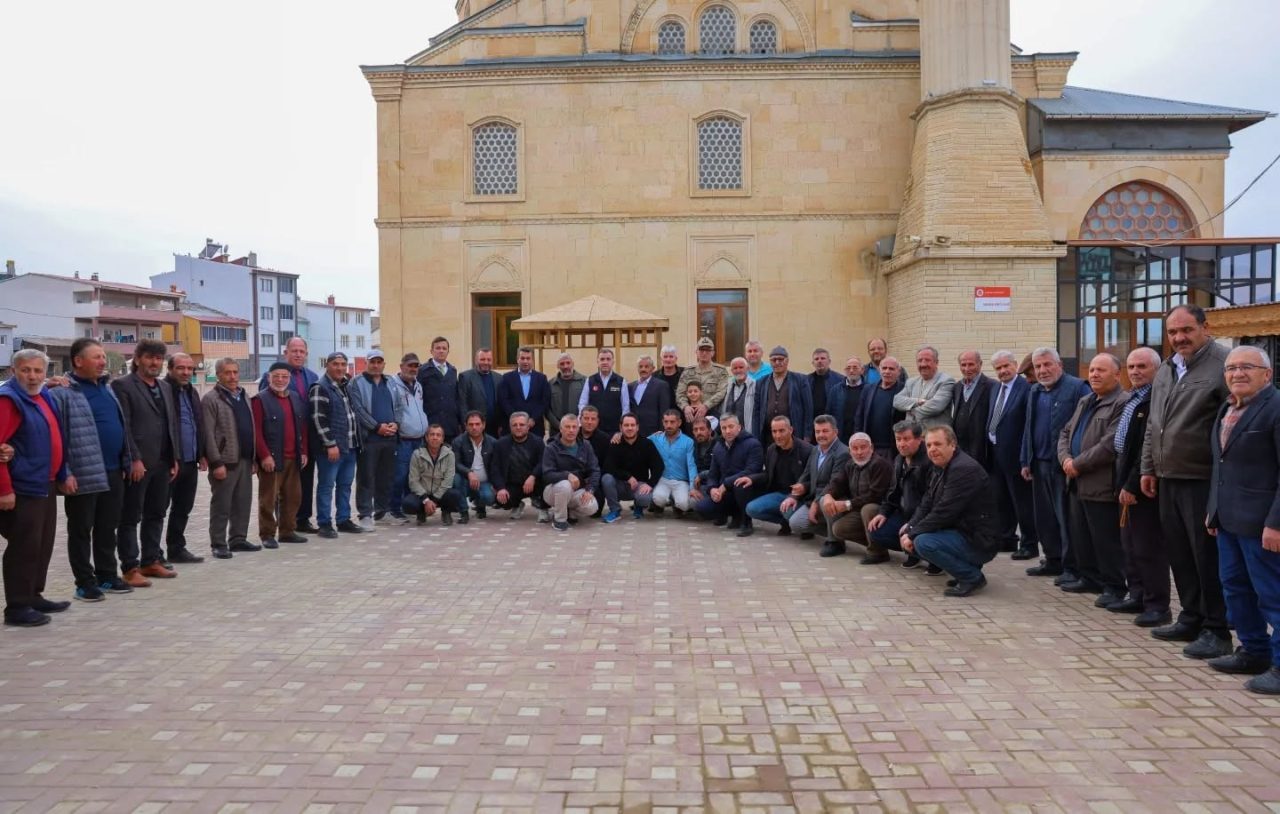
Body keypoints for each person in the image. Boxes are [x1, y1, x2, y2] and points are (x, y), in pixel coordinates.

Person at [1141, 304, 1233, 659]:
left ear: (1205, 328)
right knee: (1179, 553)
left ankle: (1217, 629)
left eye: (1186, 330)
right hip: (1167, 477)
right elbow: (1154, 424)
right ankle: (1191, 617)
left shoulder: (1223, 364)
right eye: (1172, 332)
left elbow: (1231, 424)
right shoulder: (1166, 369)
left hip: (1202, 479)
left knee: (1205, 557)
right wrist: (1147, 468)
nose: (1179, 338)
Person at [1207, 346, 1280, 693]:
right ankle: (1253, 651)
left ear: (1267, 374)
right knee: (1235, 589)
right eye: (1231, 368)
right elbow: (1219, 466)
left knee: (1272, 595)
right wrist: (1213, 510)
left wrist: (1276, 523)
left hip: (1263, 525)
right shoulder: (1228, 408)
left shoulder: (1275, 409)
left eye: (1246, 367)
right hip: (1229, 520)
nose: (1237, 373)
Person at [54, 339, 132, 601]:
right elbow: (58, 436)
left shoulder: (107, 389)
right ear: (78, 361)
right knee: (80, 530)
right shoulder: (63, 392)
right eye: (96, 357)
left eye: (103, 357)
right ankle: (84, 583)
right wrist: (64, 472)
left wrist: (125, 460)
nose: (102, 362)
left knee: (107, 527)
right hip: (83, 473)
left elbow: (120, 426)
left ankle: (107, 575)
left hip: (113, 471)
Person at [0, 349, 72, 626]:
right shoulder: (9, 401)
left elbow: (57, 437)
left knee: (42, 544)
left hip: (47, 482)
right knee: (24, 547)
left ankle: (33, 595)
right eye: (25, 370)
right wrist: (4, 489)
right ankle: (17, 606)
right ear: (13, 371)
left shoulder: (43, 396)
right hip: (23, 486)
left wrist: (63, 473)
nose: (32, 376)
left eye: (37, 371)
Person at [1057, 353, 1128, 605]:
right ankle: (1089, 577)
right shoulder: (1086, 400)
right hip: (1075, 481)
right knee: (1081, 534)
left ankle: (1114, 586)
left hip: (1101, 483)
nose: (1094, 374)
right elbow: (1066, 432)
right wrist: (1065, 459)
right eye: (1093, 370)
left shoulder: (1122, 402)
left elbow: (1110, 444)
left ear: (1117, 375)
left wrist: (1077, 463)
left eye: (1102, 370)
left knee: (1105, 539)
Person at [901, 426, 999, 597]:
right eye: (929, 445)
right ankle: (966, 570)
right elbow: (927, 502)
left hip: (979, 541)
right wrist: (910, 526)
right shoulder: (941, 465)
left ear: (952, 445)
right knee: (915, 534)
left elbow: (943, 512)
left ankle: (971, 576)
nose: (932, 449)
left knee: (923, 542)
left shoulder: (963, 469)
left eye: (937, 444)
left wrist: (913, 534)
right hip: (963, 531)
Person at [112, 339, 180, 585]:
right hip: (139, 464)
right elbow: (125, 426)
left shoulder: (165, 387)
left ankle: (151, 560)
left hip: (163, 461)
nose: (154, 362)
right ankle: (130, 568)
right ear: (137, 358)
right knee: (130, 517)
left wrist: (174, 458)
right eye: (149, 357)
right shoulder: (122, 386)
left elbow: (170, 424)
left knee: (157, 513)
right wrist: (134, 459)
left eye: (158, 358)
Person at [1020, 347, 1091, 580]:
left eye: (1047, 364)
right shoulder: (1035, 392)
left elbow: (1085, 429)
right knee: (1045, 518)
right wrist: (1025, 459)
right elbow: (1028, 428)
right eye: (1038, 366)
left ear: (1059, 365)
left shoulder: (1078, 388)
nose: (1042, 370)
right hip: (1038, 465)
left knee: (1066, 521)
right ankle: (1052, 560)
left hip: (1063, 467)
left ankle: (1072, 568)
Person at [1113, 347, 1170, 626]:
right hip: (1125, 480)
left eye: (1142, 367)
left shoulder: (1156, 401)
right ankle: (1136, 594)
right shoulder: (1132, 399)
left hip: (1143, 486)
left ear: (1157, 370)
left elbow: (1145, 450)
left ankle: (1157, 605)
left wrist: (1132, 484)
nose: (1135, 371)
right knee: (1130, 545)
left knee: (1148, 547)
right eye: (1131, 366)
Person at [259, 336, 321, 534]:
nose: (298, 354)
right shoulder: (273, 375)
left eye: (302, 351)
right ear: (286, 352)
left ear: (306, 354)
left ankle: (302, 520)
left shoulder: (312, 377)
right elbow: (265, 407)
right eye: (294, 351)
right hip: (278, 441)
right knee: (277, 488)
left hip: (304, 439)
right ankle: (278, 525)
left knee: (304, 483)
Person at [201, 358, 258, 559]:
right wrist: (216, 462)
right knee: (222, 505)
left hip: (244, 459)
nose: (233, 376)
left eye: (235, 372)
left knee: (243, 502)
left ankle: (238, 539)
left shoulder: (244, 396)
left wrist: (253, 459)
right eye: (227, 373)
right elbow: (207, 433)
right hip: (224, 461)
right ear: (218, 375)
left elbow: (250, 427)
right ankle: (218, 543)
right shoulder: (211, 399)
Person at [252, 361, 311, 549]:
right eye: (276, 376)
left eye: (284, 376)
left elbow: (302, 427)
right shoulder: (260, 400)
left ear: (289, 378)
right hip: (271, 459)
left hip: (293, 458)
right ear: (268, 378)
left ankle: (287, 531)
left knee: (293, 497)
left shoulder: (294, 397)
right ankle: (267, 534)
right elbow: (256, 431)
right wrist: (264, 456)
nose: (280, 380)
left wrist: (303, 451)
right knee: (268, 499)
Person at [986, 350, 1037, 560]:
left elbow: (1028, 424)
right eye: (998, 368)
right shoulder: (995, 388)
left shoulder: (1026, 389)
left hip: (1016, 455)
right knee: (1001, 500)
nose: (1003, 371)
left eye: (1006, 366)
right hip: (996, 453)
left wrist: (1026, 457)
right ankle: (1007, 539)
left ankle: (1029, 544)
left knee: (1022, 503)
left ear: (1015, 365)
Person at [867, 420, 934, 569]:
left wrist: (912, 525)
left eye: (906, 439)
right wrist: (883, 513)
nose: (901, 444)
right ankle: (914, 553)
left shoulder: (930, 461)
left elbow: (930, 500)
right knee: (877, 531)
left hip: (926, 517)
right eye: (898, 439)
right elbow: (893, 491)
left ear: (919, 439)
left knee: (915, 533)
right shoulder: (899, 460)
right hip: (905, 513)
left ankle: (934, 559)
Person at [311, 352, 363, 539]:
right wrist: (330, 444)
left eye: (343, 364)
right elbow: (319, 419)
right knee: (326, 485)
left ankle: (343, 519)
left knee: (345, 485)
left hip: (349, 446)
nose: (340, 368)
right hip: (331, 449)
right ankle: (324, 523)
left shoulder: (345, 386)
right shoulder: (320, 387)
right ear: (328, 365)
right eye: (336, 364)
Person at [820, 432, 893, 560]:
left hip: (880, 511)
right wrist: (828, 495)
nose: (859, 452)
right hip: (857, 509)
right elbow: (837, 482)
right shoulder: (850, 464)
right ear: (850, 450)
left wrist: (848, 504)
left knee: (868, 508)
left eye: (863, 447)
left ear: (871, 448)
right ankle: (877, 542)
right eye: (855, 448)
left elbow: (875, 495)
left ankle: (878, 551)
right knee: (838, 529)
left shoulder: (880, 464)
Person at [163, 353, 206, 564]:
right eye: (181, 368)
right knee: (158, 510)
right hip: (170, 462)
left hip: (190, 460)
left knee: (183, 507)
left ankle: (176, 548)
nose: (186, 372)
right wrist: (171, 459)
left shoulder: (191, 392)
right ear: (170, 369)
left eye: (190, 369)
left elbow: (197, 423)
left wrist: (202, 454)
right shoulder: (162, 391)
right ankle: (151, 555)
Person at [349, 349, 399, 529]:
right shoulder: (356, 383)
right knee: (366, 477)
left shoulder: (391, 382)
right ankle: (364, 515)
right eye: (373, 362)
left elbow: (399, 406)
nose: (376, 365)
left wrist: (396, 423)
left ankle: (382, 511)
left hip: (390, 438)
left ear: (384, 364)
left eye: (379, 362)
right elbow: (358, 409)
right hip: (369, 438)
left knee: (386, 476)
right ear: (367, 363)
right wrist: (377, 427)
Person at [742, 416, 813, 538]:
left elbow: (813, 479)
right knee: (751, 509)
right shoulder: (771, 449)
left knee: (791, 514)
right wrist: (751, 478)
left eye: (781, 431)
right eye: (774, 431)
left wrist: (798, 492)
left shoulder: (807, 450)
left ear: (790, 430)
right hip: (780, 494)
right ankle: (785, 523)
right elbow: (767, 474)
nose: (777, 435)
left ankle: (806, 527)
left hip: (800, 497)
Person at [783, 415, 849, 542]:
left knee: (822, 504)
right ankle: (834, 530)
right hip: (814, 497)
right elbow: (806, 474)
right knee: (792, 517)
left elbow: (834, 484)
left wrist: (816, 503)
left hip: (834, 499)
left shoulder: (843, 453)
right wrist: (794, 495)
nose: (820, 435)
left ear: (835, 432)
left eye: (825, 431)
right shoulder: (815, 450)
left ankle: (835, 538)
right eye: (817, 431)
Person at [694, 414, 764, 531]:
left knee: (741, 485)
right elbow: (713, 474)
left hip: (749, 490)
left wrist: (726, 484)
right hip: (726, 492)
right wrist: (712, 489)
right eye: (724, 428)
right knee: (702, 508)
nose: (728, 431)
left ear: (739, 427)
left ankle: (746, 521)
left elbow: (753, 469)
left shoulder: (753, 444)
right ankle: (734, 515)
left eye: (731, 427)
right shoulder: (719, 446)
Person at [541, 413, 601, 531]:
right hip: (553, 492)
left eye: (574, 427)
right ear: (561, 429)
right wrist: (567, 475)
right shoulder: (551, 448)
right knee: (565, 485)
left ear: (578, 429)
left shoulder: (586, 446)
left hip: (577, 491)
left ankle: (570, 511)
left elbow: (595, 470)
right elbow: (547, 475)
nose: (571, 430)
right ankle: (559, 520)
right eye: (567, 427)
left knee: (592, 506)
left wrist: (590, 490)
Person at [600, 413, 664, 522]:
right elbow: (608, 467)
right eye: (626, 425)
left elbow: (659, 466)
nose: (630, 428)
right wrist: (628, 477)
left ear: (637, 427)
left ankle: (639, 506)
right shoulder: (615, 443)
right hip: (619, 485)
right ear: (621, 427)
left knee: (645, 499)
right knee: (606, 478)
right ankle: (615, 510)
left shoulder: (647, 444)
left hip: (639, 485)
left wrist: (650, 483)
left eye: (632, 425)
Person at [389, 353, 429, 521]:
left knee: (413, 477)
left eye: (416, 366)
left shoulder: (418, 385)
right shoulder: (392, 385)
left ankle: (407, 506)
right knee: (399, 475)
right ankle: (394, 508)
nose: (413, 369)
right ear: (401, 366)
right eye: (410, 366)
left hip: (418, 439)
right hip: (403, 439)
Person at [490, 412, 549, 521]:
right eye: (515, 425)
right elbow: (495, 468)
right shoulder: (501, 444)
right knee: (502, 500)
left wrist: (533, 476)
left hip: (535, 482)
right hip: (513, 483)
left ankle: (543, 508)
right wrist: (500, 488)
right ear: (510, 427)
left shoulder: (538, 442)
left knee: (548, 480)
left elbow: (543, 463)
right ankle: (517, 505)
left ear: (528, 426)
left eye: (522, 425)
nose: (518, 428)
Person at [405, 425, 465, 525]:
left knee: (455, 495)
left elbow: (448, 480)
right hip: (423, 494)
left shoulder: (450, 454)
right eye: (432, 434)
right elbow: (413, 481)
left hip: (441, 493)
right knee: (408, 504)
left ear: (442, 439)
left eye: (438, 435)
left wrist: (435, 499)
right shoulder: (417, 454)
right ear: (426, 438)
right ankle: (421, 513)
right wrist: (426, 500)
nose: (435, 437)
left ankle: (446, 512)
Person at [752, 347, 812, 440]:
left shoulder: (800, 380)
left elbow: (808, 409)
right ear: (770, 362)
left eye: (780, 359)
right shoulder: (761, 382)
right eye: (774, 360)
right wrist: (756, 436)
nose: (777, 362)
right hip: (768, 435)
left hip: (794, 434)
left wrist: (807, 435)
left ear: (787, 361)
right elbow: (756, 411)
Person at [950, 350, 995, 469]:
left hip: (980, 448)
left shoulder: (992, 386)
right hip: (960, 445)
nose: (967, 368)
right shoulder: (957, 387)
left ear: (980, 364)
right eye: (963, 365)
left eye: (971, 364)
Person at [650, 409, 698, 515]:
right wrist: (619, 435)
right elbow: (639, 442)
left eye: (672, 422)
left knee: (684, 504)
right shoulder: (656, 438)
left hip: (681, 480)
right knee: (658, 499)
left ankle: (676, 503)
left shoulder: (688, 442)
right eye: (666, 422)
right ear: (662, 422)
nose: (669, 425)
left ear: (679, 422)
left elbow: (691, 466)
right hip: (663, 479)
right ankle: (660, 504)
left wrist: (692, 488)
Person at [893, 346, 955, 429]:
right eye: (920, 360)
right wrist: (917, 402)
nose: (923, 364)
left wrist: (910, 410)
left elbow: (935, 407)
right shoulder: (911, 382)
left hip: (936, 436)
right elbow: (897, 401)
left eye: (927, 360)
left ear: (936, 362)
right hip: (914, 436)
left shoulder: (946, 381)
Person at [451, 410, 496, 522]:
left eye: (477, 424)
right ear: (465, 426)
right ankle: (464, 512)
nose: (474, 427)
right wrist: (469, 472)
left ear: (483, 425)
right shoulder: (458, 442)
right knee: (456, 479)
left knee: (489, 497)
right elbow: (455, 463)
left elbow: (496, 467)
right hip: (465, 481)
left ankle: (480, 505)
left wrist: (496, 485)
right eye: (471, 424)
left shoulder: (493, 442)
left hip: (485, 482)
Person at [857, 356, 905, 459]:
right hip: (870, 446)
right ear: (879, 370)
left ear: (899, 371)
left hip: (892, 448)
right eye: (884, 368)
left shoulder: (904, 390)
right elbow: (859, 416)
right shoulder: (868, 389)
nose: (887, 371)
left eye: (891, 369)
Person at [498, 346, 551, 437]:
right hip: (513, 428)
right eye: (522, 358)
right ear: (517, 359)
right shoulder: (507, 378)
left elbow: (544, 401)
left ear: (532, 360)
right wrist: (516, 419)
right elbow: (503, 401)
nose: (525, 361)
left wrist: (533, 419)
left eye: (528, 358)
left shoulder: (541, 378)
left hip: (535, 427)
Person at [417, 336, 462, 441]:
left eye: (444, 348)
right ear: (431, 351)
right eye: (438, 348)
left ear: (448, 351)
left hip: (450, 426)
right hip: (431, 423)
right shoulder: (423, 370)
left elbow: (456, 398)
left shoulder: (452, 371)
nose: (441, 351)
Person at [577, 348, 630, 437]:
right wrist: (582, 423)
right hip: (593, 430)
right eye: (602, 359)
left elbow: (626, 407)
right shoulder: (590, 380)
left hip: (614, 431)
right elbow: (582, 403)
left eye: (608, 359)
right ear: (597, 362)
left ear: (613, 362)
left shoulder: (621, 381)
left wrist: (622, 429)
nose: (605, 362)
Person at [678, 337, 730, 418]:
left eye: (708, 350)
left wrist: (706, 406)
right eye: (701, 350)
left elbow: (721, 392)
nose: (704, 353)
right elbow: (680, 393)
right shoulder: (688, 372)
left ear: (713, 353)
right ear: (696, 352)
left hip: (712, 413)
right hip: (691, 414)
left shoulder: (721, 371)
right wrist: (685, 407)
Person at [459, 347, 503, 438]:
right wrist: (466, 425)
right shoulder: (465, 377)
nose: (486, 362)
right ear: (476, 361)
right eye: (482, 359)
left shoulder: (499, 378)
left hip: (494, 427)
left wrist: (501, 424)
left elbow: (501, 403)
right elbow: (462, 403)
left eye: (489, 360)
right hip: (474, 427)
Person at [629, 355, 672, 439]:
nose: (643, 369)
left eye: (646, 366)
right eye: (640, 367)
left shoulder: (661, 385)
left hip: (654, 432)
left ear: (653, 368)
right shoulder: (630, 386)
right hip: (633, 432)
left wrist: (662, 431)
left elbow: (664, 410)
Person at [548, 353, 586, 437]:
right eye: (562, 364)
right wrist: (559, 425)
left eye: (568, 363)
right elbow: (547, 409)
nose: (565, 366)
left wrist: (578, 424)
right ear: (557, 366)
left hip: (578, 430)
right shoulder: (550, 384)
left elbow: (588, 404)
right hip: (556, 431)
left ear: (573, 364)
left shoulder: (584, 382)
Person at [828, 357, 865, 440]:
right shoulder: (835, 390)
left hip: (861, 435)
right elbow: (829, 414)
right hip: (840, 436)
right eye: (848, 368)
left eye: (855, 368)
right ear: (845, 370)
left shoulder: (869, 390)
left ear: (862, 370)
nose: (851, 371)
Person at [721, 357, 757, 436]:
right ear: (731, 371)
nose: (738, 370)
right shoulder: (728, 385)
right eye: (735, 368)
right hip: (729, 432)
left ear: (747, 368)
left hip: (746, 431)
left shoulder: (755, 385)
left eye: (741, 367)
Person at [806, 349, 839, 432]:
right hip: (812, 427)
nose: (819, 361)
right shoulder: (805, 381)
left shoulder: (839, 380)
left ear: (829, 361)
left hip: (831, 426)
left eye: (823, 358)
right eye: (816, 359)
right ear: (813, 363)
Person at [689, 417, 717, 504]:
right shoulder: (691, 445)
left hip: (712, 483)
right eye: (695, 430)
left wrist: (701, 475)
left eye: (702, 429)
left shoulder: (719, 445)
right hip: (694, 482)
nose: (699, 432)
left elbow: (721, 470)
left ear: (710, 430)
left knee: (694, 502)